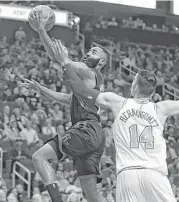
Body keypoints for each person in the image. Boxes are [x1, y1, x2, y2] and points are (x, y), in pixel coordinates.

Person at [58, 48, 177, 202]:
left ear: (134, 87)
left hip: (128, 175)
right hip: (155, 174)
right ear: (152, 92)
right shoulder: (162, 108)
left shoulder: (117, 102)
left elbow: (80, 91)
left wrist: (64, 62)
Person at [20, 12, 109, 202]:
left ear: (101, 63)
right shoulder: (89, 85)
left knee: (39, 158)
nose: (87, 53)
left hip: (86, 130)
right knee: (91, 195)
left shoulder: (89, 71)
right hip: (95, 134)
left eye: (93, 52)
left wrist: (41, 29)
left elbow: (56, 56)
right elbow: (67, 99)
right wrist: (40, 88)